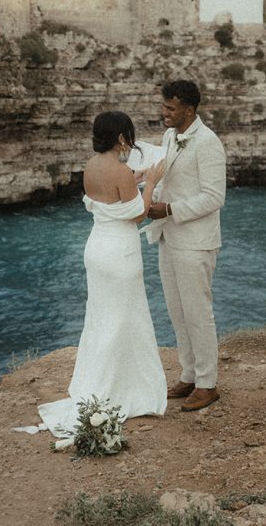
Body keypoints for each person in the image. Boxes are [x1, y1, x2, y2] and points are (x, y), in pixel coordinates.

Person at [37, 111, 167, 437]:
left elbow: (109, 198)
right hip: (120, 254)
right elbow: (136, 213)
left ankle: (95, 385)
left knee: (101, 320)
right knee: (125, 320)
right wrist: (150, 183)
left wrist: (135, 179)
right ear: (122, 138)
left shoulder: (91, 166)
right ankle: (120, 391)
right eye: (129, 136)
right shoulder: (121, 170)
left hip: (96, 250)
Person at [145, 80, 226, 412]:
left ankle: (208, 384)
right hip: (169, 236)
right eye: (164, 106)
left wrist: (170, 209)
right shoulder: (168, 136)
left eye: (170, 108)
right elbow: (165, 177)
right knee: (178, 312)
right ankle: (189, 374)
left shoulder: (208, 143)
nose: (163, 112)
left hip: (195, 242)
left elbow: (214, 197)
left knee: (198, 313)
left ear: (189, 111)